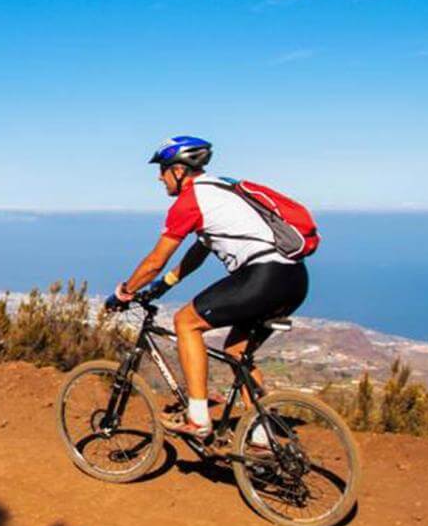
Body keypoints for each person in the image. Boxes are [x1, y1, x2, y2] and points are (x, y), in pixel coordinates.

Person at [109, 136, 309, 439]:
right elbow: (198, 252)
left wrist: (125, 291)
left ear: (178, 170)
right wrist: (164, 286)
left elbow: (155, 260)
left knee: (185, 322)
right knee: (237, 351)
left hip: (262, 277)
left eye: (162, 170)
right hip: (294, 279)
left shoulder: (190, 201)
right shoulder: (223, 190)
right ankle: (262, 439)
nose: (159, 177)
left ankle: (199, 418)